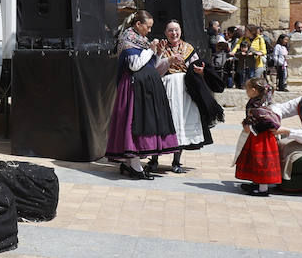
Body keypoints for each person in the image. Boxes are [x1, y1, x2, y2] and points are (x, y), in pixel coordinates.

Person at [104, 10, 178, 179]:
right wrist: (150, 50)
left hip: (143, 88)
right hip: (132, 89)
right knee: (133, 124)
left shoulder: (142, 40)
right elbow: (134, 65)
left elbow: (153, 66)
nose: (150, 31)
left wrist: (158, 52)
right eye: (148, 27)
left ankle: (130, 164)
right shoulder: (127, 39)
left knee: (139, 123)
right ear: (138, 25)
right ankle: (135, 166)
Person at [148, 20, 221, 174]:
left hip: (184, 91)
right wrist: (168, 60)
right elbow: (155, 70)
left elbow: (195, 68)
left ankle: (176, 161)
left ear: (180, 31)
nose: (174, 33)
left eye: (176, 30)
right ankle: (154, 160)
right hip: (166, 87)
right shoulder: (161, 48)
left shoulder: (188, 49)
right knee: (162, 122)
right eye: (170, 30)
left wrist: (200, 72)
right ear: (165, 33)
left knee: (181, 121)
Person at [235, 77, 281, 196]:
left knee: (262, 161)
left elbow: (264, 122)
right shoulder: (259, 101)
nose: (246, 91)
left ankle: (263, 189)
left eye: (247, 89)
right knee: (254, 159)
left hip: (262, 137)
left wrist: (248, 125)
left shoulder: (258, 104)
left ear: (254, 90)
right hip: (257, 136)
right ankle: (256, 182)